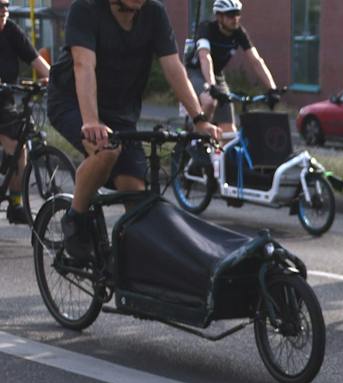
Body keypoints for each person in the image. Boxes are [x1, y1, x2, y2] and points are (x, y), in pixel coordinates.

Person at [48, 0, 217, 262]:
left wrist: (199, 119)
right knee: (106, 150)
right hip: (72, 102)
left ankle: (132, 271)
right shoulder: (86, 9)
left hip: (120, 111)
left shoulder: (154, 13)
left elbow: (173, 67)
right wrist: (91, 121)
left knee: (135, 193)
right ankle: (76, 219)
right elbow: (83, 65)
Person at [186, 0, 276, 133]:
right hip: (196, 71)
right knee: (210, 101)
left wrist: (272, 89)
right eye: (230, 15)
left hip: (217, 75)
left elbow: (256, 61)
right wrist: (211, 86)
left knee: (229, 130)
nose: (235, 19)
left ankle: (218, 152)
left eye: (237, 14)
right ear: (219, 16)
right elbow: (205, 58)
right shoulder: (206, 28)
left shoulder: (239, 32)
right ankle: (196, 137)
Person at [0, 0, 53, 224]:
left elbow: (38, 63)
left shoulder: (11, 30)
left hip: (5, 101)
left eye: (6, 5)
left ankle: (15, 203)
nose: (4, 10)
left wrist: (52, 80)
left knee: (18, 145)